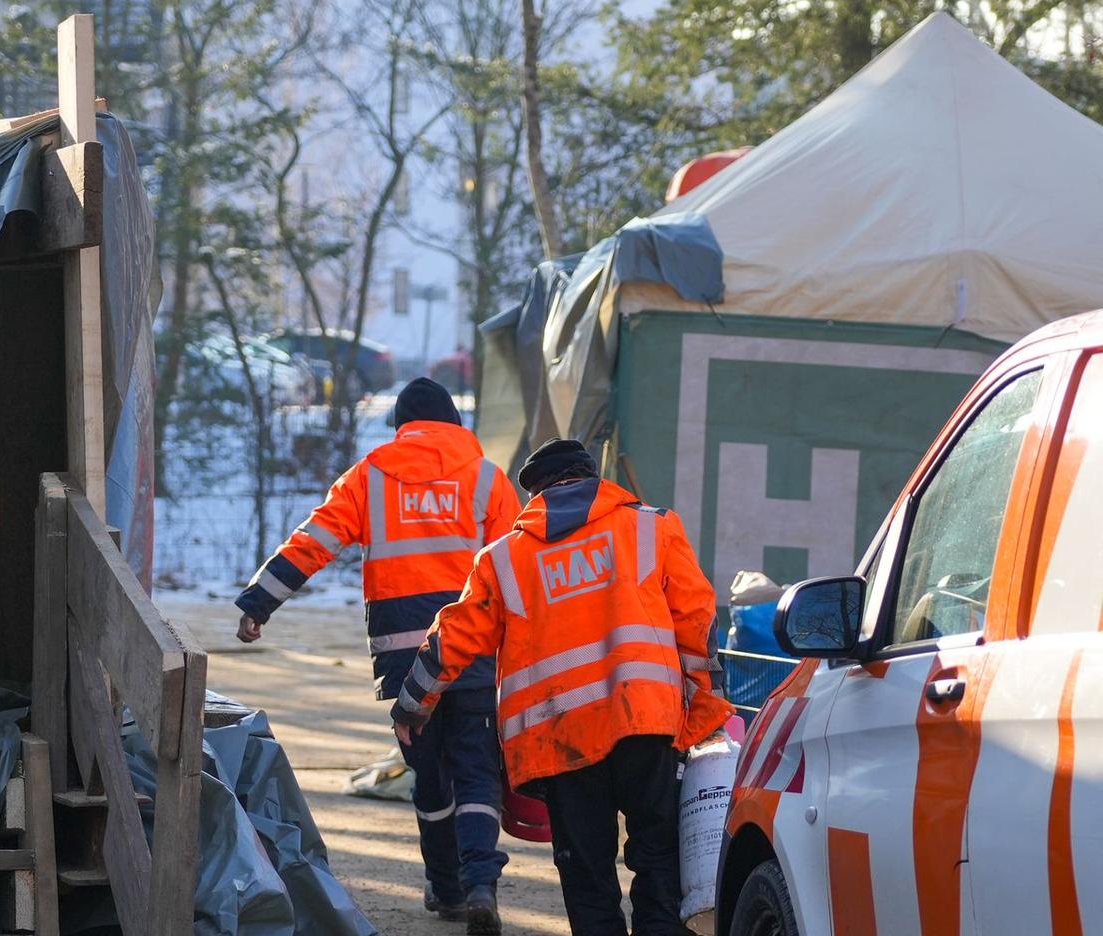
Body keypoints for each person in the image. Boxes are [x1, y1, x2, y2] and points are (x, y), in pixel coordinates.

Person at [391, 438, 733, 936]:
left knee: (587, 873)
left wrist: (411, 706)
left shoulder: (505, 558)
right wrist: (704, 713)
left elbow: (454, 637)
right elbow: (698, 624)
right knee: (659, 859)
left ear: (536, 495)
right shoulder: (651, 527)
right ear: (592, 479)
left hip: (562, 740)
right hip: (646, 723)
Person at [235, 377, 519, 931]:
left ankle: (445, 887)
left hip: (402, 654)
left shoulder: (371, 477)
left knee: (430, 775)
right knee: (478, 769)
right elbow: (517, 566)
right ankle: (480, 882)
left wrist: (259, 602)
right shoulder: (487, 478)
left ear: (401, 427)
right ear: (455, 427)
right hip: (471, 650)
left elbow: (315, 540)